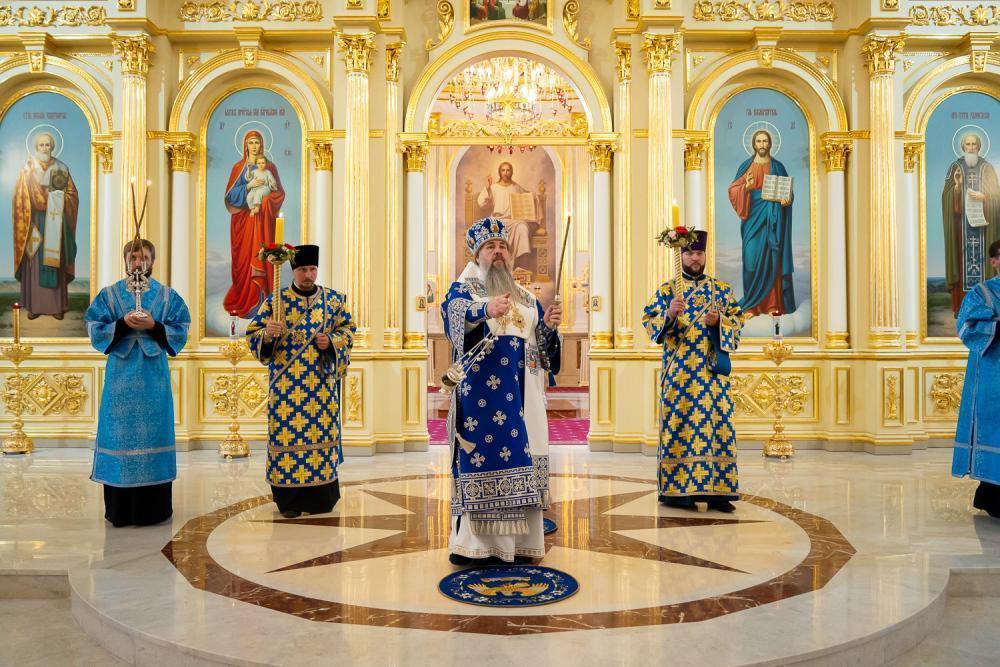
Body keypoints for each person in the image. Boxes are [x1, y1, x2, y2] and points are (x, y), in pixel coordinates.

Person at [441, 217, 561, 564]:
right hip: (483, 399)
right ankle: (476, 547)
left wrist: (549, 327)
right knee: (484, 462)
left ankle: (519, 544)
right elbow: (452, 314)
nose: (497, 252)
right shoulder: (464, 288)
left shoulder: (526, 297)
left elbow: (544, 352)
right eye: (490, 247)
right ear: (477, 254)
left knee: (525, 460)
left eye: (502, 246)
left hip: (525, 397)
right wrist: (484, 309)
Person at [84, 240, 190, 527]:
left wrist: (153, 326)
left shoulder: (167, 296)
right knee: (119, 434)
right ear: (125, 261)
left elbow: (182, 328)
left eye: (144, 257)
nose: (138, 263)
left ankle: (153, 510)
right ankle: (119, 510)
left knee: (154, 433)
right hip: (120, 377)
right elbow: (94, 327)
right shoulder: (109, 295)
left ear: (152, 261)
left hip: (154, 377)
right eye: (133, 257)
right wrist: (122, 324)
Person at [246, 245, 356, 518]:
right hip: (286, 387)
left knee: (321, 437)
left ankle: (321, 498)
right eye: (303, 270)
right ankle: (289, 501)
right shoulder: (276, 301)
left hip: (321, 387)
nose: (308, 275)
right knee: (287, 438)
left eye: (312, 269)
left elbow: (349, 330)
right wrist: (268, 334)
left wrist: (331, 341)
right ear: (293, 271)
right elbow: (253, 334)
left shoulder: (333, 300)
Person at [642, 230, 744, 512]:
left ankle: (718, 493)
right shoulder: (668, 291)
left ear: (705, 255)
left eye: (699, 253)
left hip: (712, 377)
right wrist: (669, 314)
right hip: (680, 375)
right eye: (689, 253)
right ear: (681, 256)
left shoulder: (721, 290)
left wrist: (719, 321)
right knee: (680, 427)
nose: (694, 258)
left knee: (718, 428)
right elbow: (649, 322)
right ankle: (679, 493)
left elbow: (738, 321)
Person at [952, 240, 1000, 517]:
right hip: (992, 373)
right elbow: (967, 326)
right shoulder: (982, 292)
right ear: (993, 261)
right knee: (994, 427)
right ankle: (993, 495)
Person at [12, 131, 80, 320]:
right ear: (36, 147)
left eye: (47, 145)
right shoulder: (28, 168)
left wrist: (57, 198)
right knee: (34, 260)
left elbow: (72, 195)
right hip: (33, 222)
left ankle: (56, 307)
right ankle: (34, 306)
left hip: (55, 222)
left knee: (54, 261)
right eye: (41, 145)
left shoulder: (61, 168)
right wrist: (33, 199)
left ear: (52, 147)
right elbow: (18, 196)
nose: (44, 148)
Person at [727, 129, 794, 317]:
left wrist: (786, 199)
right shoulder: (746, 166)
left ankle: (772, 305)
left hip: (773, 221)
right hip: (753, 220)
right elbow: (733, 190)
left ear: (770, 144)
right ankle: (751, 306)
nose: (762, 144)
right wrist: (746, 187)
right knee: (751, 261)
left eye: (765, 141)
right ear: (754, 144)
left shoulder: (778, 167)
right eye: (759, 141)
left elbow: (788, 192)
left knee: (772, 261)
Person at [223, 130, 286, 318]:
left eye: (257, 142)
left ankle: (263, 301)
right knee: (243, 260)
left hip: (263, 223)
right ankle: (246, 301)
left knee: (261, 258)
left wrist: (266, 201)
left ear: (262, 144)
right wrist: (249, 186)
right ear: (245, 145)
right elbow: (230, 197)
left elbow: (279, 193)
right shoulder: (238, 167)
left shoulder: (270, 167)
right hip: (244, 223)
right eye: (250, 142)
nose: (254, 146)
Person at [941, 132, 1000, 315]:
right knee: (962, 267)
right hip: (961, 231)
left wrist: (985, 197)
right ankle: (962, 308)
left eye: (974, 144)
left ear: (979, 146)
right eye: (968, 144)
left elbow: (997, 198)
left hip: (984, 230)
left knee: (984, 265)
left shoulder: (987, 168)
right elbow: (946, 197)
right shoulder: (955, 168)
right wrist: (958, 187)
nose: (971, 147)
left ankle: (987, 307)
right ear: (963, 147)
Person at [477, 162, 535, 268]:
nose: (505, 173)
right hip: (497, 220)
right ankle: (496, 266)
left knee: (523, 227)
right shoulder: (493, 187)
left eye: (508, 170)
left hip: (513, 221)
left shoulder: (516, 187)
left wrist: (534, 196)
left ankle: (521, 265)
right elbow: (481, 203)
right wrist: (488, 188)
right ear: (500, 172)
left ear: (511, 172)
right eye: (503, 170)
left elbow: (527, 197)